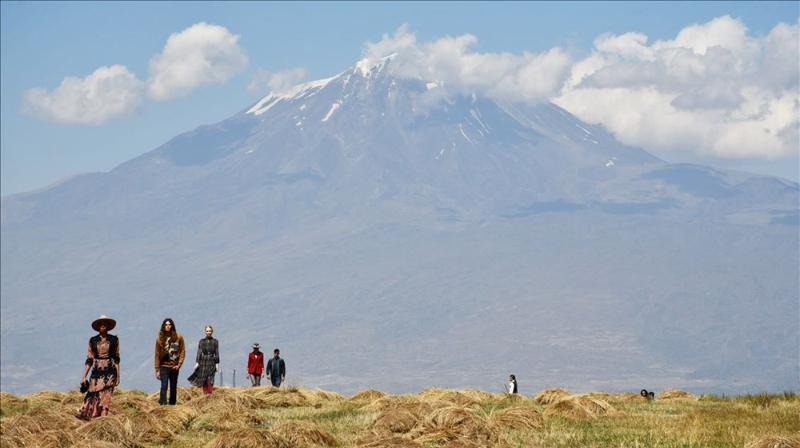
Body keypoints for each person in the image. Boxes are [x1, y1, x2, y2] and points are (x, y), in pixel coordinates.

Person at [78, 315, 120, 419]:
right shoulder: (93, 340)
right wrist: (84, 376)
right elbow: (89, 358)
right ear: (98, 327)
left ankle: (103, 417)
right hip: (96, 371)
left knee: (106, 395)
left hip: (110, 371)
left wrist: (118, 375)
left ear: (108, 326)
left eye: (105, 324)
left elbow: (116, 358)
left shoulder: (114, 340)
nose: (103, 326)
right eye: (101, 324)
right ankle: (93, 416)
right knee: (93, 394)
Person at [154, 318, 185, 405]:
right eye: (166, 325)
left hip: (174, 366)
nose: (168, 326)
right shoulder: (159, 339)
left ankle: (172, 405)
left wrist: (179, 364)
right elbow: (157, 355)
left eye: (169, 324)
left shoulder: (179, 337)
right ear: (163, 326)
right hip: (164, 366)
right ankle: (163, 404)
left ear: (172, 326)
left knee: (173, 387)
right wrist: (157, 369)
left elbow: (182, 351)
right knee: (164, 386)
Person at [188, 325, 219, 394]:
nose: (208, 332)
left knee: (211, 378)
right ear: (205, 332)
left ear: (212, 332)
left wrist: (217, 363)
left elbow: (216, 352)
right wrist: (197, 362)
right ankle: (205, 394)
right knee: (204, 377)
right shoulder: (202, 341)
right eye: (207, 331)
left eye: (210, 331)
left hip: (211, 360)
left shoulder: (215, 341)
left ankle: (210, 393)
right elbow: (199, 352)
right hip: (203, 360)